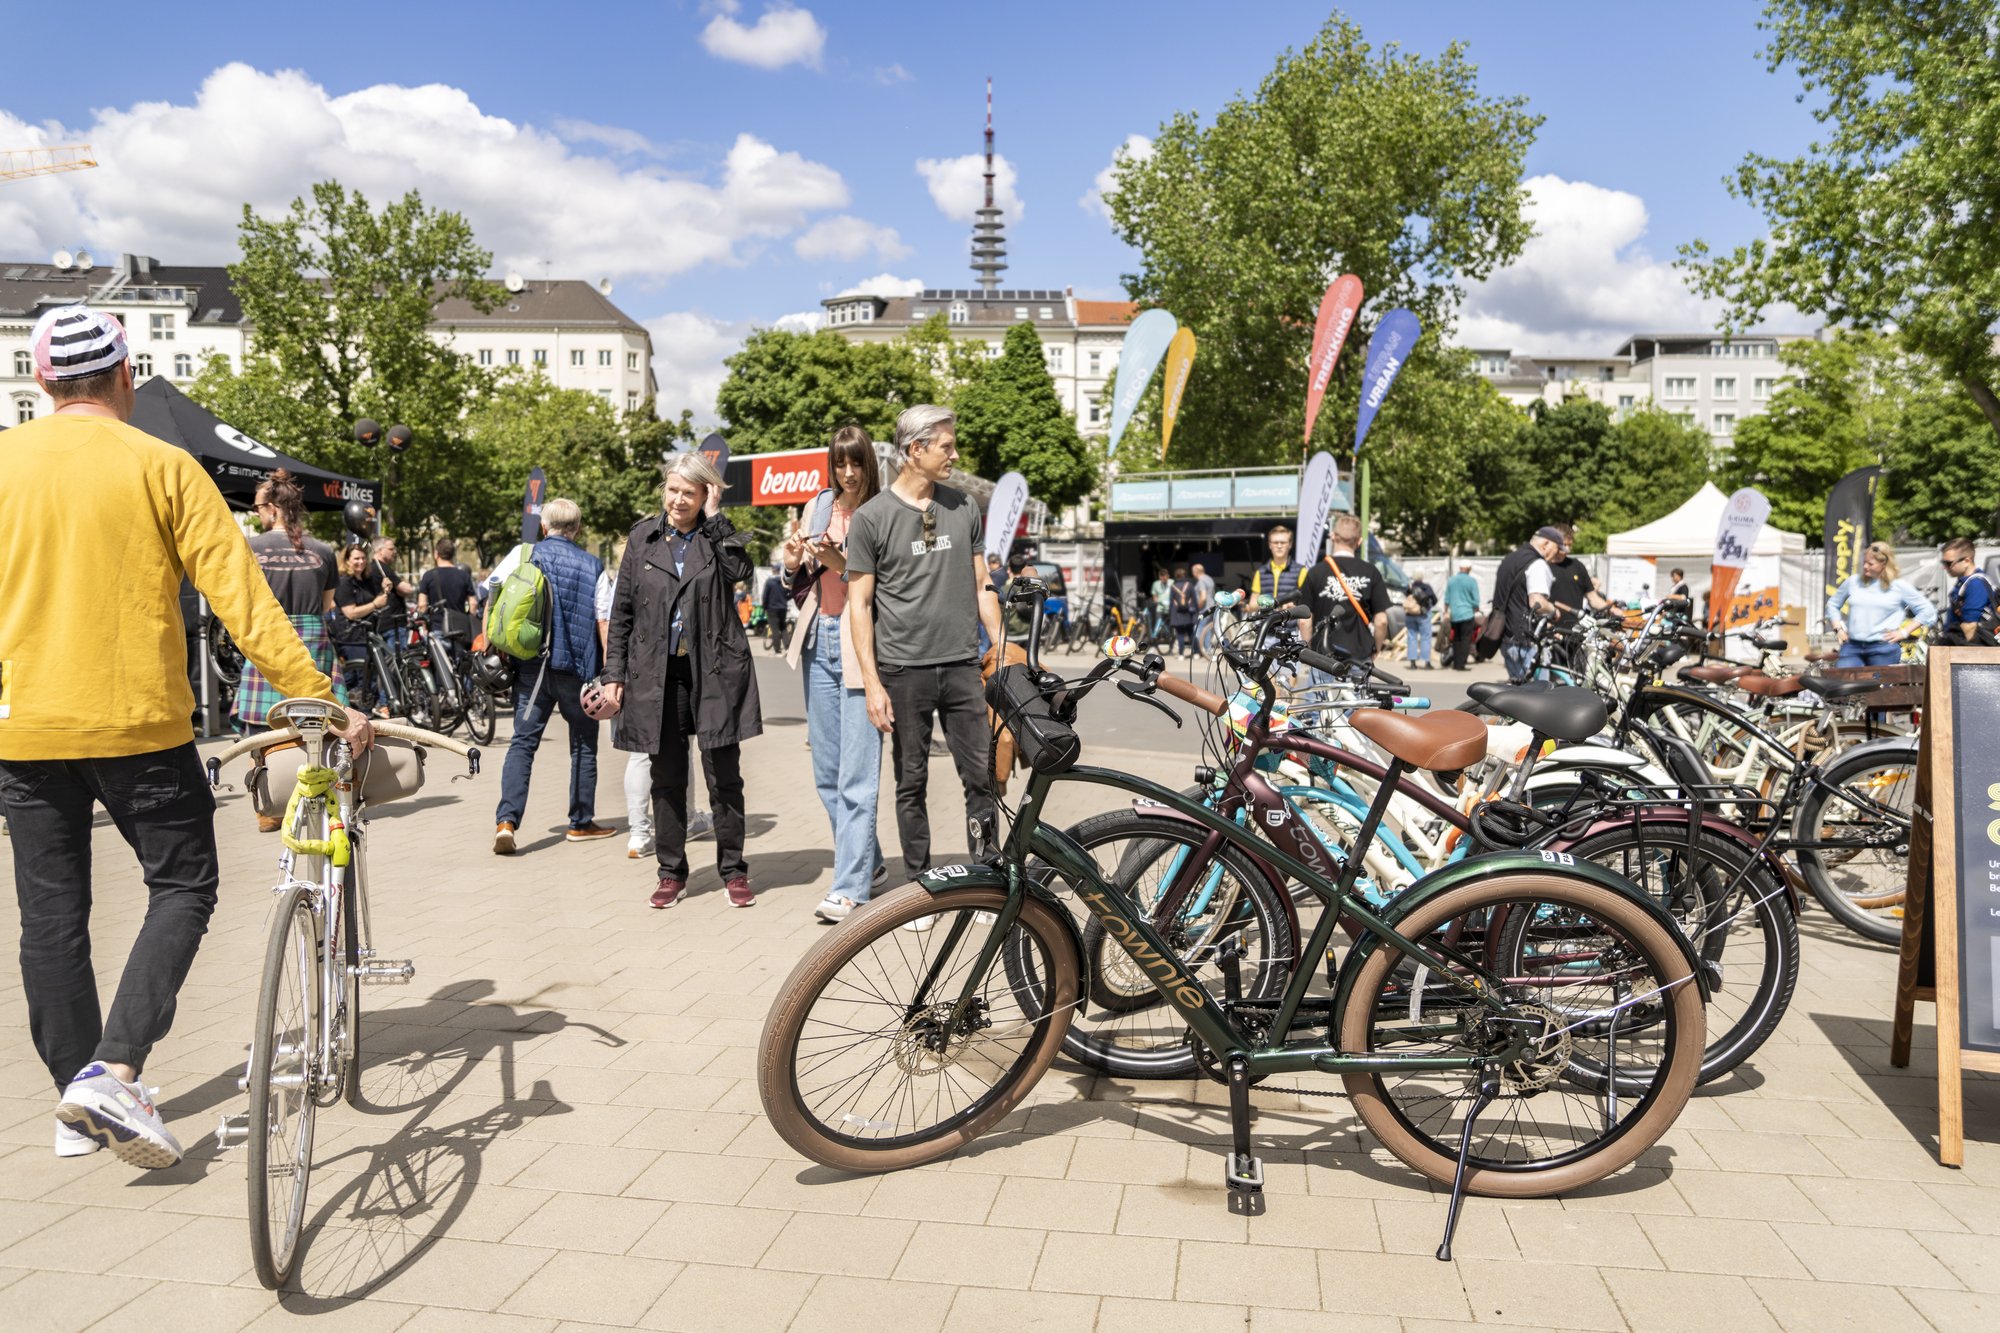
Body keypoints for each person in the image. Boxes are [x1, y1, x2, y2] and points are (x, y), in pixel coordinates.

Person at [0, 304, 371, 1169]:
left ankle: (76, 1101)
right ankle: (113, 1070)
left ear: (43, 383)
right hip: (138, 722)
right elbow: (244, 602)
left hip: (25, 726)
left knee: (50, 915)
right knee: (183, 884)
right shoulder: (162, 465)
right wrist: (321, 699)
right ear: (125, 375)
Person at [846, 404, 1005, 881]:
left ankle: (988, 878)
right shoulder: (871, 518)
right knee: (910, 783)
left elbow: (981, 584)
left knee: (980, 779)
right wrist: (873, 684)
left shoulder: (963, 507)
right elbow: (859, 606)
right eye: (946, 446)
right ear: (915, 450)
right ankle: (919, 886)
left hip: (962, 666)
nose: (954, 455)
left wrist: (1001, 645)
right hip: (903, 671)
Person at [603, 453, 762, 907]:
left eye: (689, 493)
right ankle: (671, 873)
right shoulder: (643, 538)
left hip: (714, 671)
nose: (678, 499)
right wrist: (614, 673)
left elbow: (741, 572)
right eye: (672, 490)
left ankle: (733, 871)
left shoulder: (717, 536)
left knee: (724, 778)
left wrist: (716, 519)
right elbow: (622, 613)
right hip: (659, 674)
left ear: (705, 494)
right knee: (667, 777)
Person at [781, 425, 888, 922]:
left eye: (856, 462)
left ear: (868, 464)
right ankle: (872, 864)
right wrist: (792, 563)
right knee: (827, 773)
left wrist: (840, 562)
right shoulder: (819, 505)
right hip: (817, 638)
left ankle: (849, 888)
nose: (848, 473)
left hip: (859, 642)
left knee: (856, 774)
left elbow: (887, 587)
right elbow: (799, 581)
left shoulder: (883, 512)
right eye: (840, 463)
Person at [487, 497, 615, 852]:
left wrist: (491, 646)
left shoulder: (524, 555)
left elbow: (493, 595)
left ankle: (506, 821)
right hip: (578, 670)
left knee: (523, 743)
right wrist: (610, 672)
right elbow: (604, 621)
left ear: (544, 527)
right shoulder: (593, 565)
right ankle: (580, 822)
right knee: (584, 744)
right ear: (578, 529)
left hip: (532, 668)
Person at [233, 471, 344, 781]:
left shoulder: (250, 547)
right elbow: (327, 605)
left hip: (268, 641)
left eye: (257, 508)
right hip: (313, 646)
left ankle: (266, 794)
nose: (256, 514)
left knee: (261, 737)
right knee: (319, 726)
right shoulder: (324, 550)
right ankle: (317, 787)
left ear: (272, 508)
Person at [1299, 513, 1389, 670]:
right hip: (1359, 655)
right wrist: (1376, 647)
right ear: (1359, 541)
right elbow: (1381, 621)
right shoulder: (1371, 572)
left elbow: (1304, 621)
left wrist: (1308, 652)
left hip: (1323, 656)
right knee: (1359, 688)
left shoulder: (1315, 572)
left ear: (1333, 537)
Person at [1825, 541, 1935, 667]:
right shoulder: (1853, 582)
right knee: (1843, 678)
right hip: (1852, 647)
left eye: (1870, 564)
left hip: (1883, 649)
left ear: (1884, 564)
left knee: (1879, 680)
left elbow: (1927, 611)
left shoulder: (1898, 586)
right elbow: (1832, 604)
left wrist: (1904, 632)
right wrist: (1838, 629)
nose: (1865, 566)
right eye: (1864, 562)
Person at [1487, 526, 1563, 684]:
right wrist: (1553, 610)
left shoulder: (1509, 559)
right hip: (1526, 642)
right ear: (1546, 544)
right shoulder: (1537, 564)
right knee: (1538, 695)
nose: (1557, 554)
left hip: (1506, 637)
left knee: (1519, 693)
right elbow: (1537, 602)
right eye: (1557, 549)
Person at [331, 542, 386, 711]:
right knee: (361, 680)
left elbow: (378, 599)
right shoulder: (344, 582)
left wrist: (385, 589)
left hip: (367, 634)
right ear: (347, 560)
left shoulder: (365, 580)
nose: (361, 562)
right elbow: (351, 613)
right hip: (351, 637)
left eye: (363, 558)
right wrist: (375, 604)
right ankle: (355, 713)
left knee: (364, 679)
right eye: (356, 558)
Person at [1939, 538, 1994, 645]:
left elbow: (1970, 627)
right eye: (1943, 562)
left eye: (1948, 563)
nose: (1945, 568)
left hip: (1968, 650)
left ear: (1966, 561)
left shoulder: (1976, 584)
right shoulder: (1965, 583)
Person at [416, 538, 476, 635]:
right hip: (460, 627)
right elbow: (473, 604)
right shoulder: (464, 575)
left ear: (436, 554)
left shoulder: (428, 576)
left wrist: (425, 625)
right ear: (453, 554)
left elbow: (422, 604)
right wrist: (469, 620)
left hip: (437, 627)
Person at [1547, 527, 1611, 616]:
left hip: (1576, 624)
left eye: (1570, 545)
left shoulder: (1577, 566)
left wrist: (1611, 610)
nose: (1568, 549)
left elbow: (1593, 598)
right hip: (1549, 623)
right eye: (1564, 545)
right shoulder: (1542, 566)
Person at [1247, 525, 1305, 605]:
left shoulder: (1301, 571)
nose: (1279, 546)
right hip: (1268, 614)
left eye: (1283, 543)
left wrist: (1293, 606)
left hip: (1290, 613)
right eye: (1275, 542)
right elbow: (1253, 603)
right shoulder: (1260, 572)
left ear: (1290, 544)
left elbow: (1307, 600)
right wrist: (1268, 604)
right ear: (1270, 545)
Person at [369, 536, 415, 635]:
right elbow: (407, 590)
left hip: (384, 624)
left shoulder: (373, 567)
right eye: (391, 549)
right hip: (392, 625)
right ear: (380, 551)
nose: (394, 552)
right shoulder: (382, 568)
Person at [1445, 561, 1481, 670]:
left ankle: (1456, 663)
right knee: (1466, 639)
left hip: (1455, 614)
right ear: (1469, 569)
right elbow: (1476, 600)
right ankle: (1461, 664)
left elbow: (1447, 598)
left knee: (1456, 639)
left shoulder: (1451, 580)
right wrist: (1475, 607)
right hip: (1467, 613)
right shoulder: (1471, 581)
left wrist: (1446, 611)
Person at [1403, 570, 1438, 669]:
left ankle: (1413, 663)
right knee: (1426, 637)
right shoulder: (1426, 587)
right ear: (1422, 576)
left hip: (1410, 614)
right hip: (1423, 615)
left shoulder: (1410, 587)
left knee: (1411, 637)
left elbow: (1406, 596)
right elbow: (1434, 600)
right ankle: (1427, 663)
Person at [761, 565, 791, 652]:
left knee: (775, 629)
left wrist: (764, 607)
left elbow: (765, 596)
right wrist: (785, 599)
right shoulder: (783, 581)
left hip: (772, 608)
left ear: (772, 570)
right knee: (783, 627)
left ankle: (777, 649)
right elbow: (791, 592)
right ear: (779, 570)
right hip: (783, 608)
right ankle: (787, 647)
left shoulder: (769, 582)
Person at [1168, 565, 1197, 655]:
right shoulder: (1189, 585)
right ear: (1184, 575)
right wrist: (1195, 612)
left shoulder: (1173, 587)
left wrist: (1170, 614)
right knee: (1191, 633)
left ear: (1176, 576)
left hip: (1177, 613)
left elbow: (1171, 601)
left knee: (1180, 634)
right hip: (1188, 613)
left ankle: (1181, 654)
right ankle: (1195, 653)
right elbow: (1194, 599)